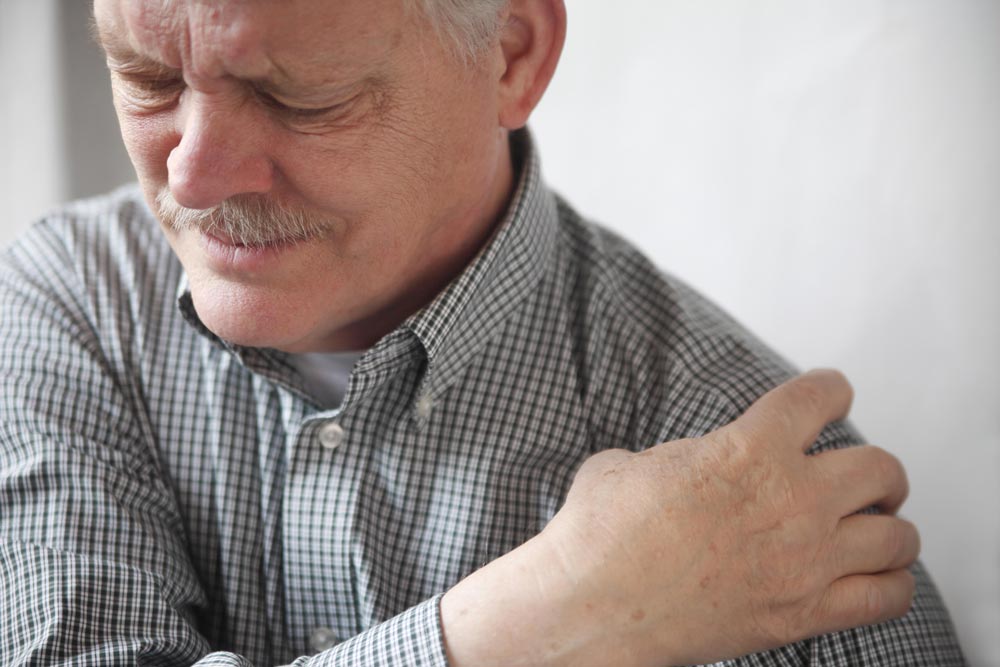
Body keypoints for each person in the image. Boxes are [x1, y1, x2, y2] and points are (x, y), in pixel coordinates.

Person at [0, 0, 965, 665]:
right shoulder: (66, 302)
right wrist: (560, 614)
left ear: (512, 52)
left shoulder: (770, 499)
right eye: (146, 78)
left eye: (302, 99)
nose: (196, 177)